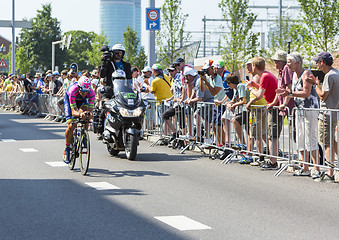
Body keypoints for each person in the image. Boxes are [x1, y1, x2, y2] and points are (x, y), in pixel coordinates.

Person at [277, 52, 320, 178]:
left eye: (289, 61)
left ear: (297, 62)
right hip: (299, 110)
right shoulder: (294, 74)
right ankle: (305, 167)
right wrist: (286, 95)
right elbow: (292, 92)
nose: (287, 64)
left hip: (309, 109)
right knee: (300, 138)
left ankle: (316, 168)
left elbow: (306, 93)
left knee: (310, 138)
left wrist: (290, 94)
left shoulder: (306, 73)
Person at [306, 51, 339, 182]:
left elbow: (322, 96)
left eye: (317, 62)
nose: (316, 65)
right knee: (332, 140)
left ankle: (330, 173)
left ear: (322, 62)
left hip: (327, 114)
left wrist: (315, 84)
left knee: (326, 143)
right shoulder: (336, 73)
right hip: (335, 112)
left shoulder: (329, 76)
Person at [246, 56, 279, 169]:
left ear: (255, 67)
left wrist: (251, 89)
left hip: (272, 107)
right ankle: (271, 159)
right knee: (267, 134)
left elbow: (260, 94)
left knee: (268, 135)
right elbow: (262, 89)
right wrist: (254, 85)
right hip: (269, 106)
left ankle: (271, 161)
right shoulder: (266, 74)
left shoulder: (264, 76)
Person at [63, 76, 95, 163]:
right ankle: (67, 148)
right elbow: (73, 112)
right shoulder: (73, 90)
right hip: (70, 99)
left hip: (82, 101)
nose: (84, 93)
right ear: (79, 87)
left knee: (87, 116)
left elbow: (90, 111)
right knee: (71, 125)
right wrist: (80, 114)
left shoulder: (91, 93)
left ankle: (84, 135)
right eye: (83, 91)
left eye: (86, 91)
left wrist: (88, 114)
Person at [200, 59, 224, 147]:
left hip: (223, 103)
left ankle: (222, 143)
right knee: (213, 125)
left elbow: (214, 92)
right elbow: (202, 89)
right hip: (216, 103)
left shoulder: (218, 78)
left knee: (218, 125)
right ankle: (218, 144)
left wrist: (205, 81)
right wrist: (201, 79)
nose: (206, 71)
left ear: (212, 68)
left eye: (207, 69)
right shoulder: (209, 78)